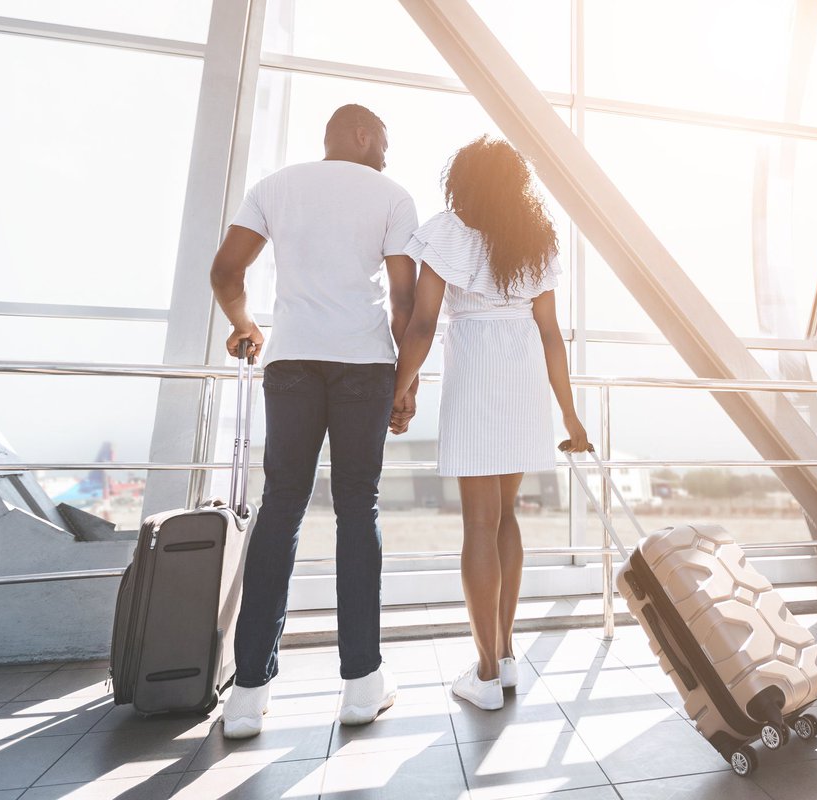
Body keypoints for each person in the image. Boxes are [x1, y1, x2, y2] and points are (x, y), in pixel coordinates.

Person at [210, 104, 420, 738]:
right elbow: (405, 299)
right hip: (364, 364)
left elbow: (225, 272)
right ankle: (361, 685)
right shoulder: (392, 195)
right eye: (384, 138)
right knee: (359, 508)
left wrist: (245, 326)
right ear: (359, 134)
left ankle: (248, 692)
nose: (387, 150)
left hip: (293, 359)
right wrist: (404, 385)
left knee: (282, 507)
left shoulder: (275, 187)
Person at [393, 136, 589, 711]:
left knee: (478, 523)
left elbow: (424, 323)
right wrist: (570, 415)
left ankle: (483, 674)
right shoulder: (533, 240)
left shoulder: (446, 231)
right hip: (524, 373)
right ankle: (503, 658)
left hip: (477, 370)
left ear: (464, 180)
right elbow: (552, 333)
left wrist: (399, 389)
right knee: (505, 517)